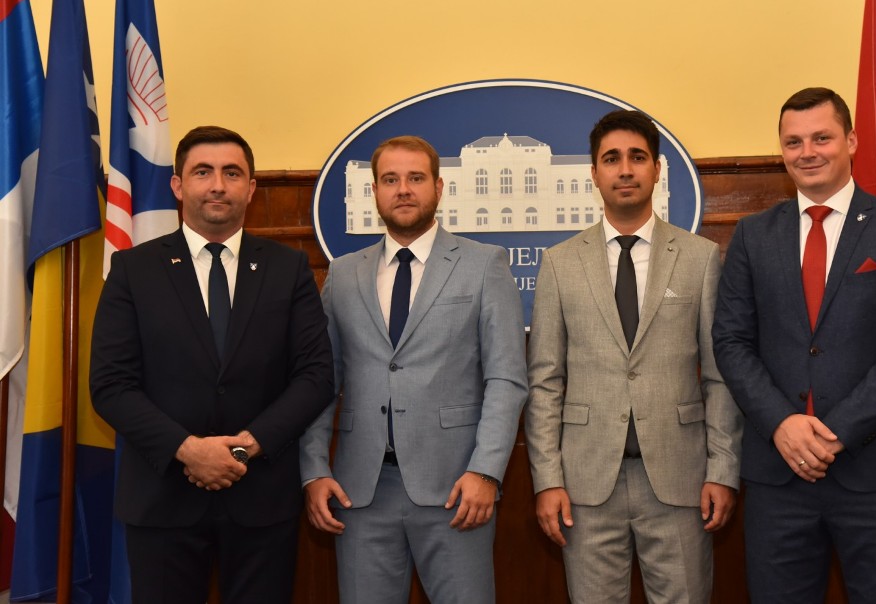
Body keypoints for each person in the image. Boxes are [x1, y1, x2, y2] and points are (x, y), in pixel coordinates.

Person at [712, 88, 876, 602]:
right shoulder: (753, 235)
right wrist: (782, 424)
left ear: (851, 141)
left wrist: (835, 432)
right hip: (779, 478)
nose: (807, 152)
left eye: (822, 138)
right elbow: (730, 341)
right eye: (793, 142)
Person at [89, 126, 335, 603]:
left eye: (232, 173)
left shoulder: (288, 268)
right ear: (178, 186)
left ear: (251, 187)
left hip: (261, 499)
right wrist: (188, 450)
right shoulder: (133, 270)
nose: (218, 185)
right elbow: (111, 384)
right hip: (163, 498)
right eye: (203, 172)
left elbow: (316, 375)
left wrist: (245, 448)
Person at [525, 110, 742, 603]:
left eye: (637, 157)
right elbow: (545, 382)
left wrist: (722, 469)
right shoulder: (559, 263)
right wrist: (547, 480)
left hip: (681, 479)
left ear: (657, 169)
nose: (625, 169)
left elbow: (719, 377)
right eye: (612, 159)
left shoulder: (700, 258)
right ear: (594, 172)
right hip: (584, 485)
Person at [299, 135, 527, 603]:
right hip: (359, 493)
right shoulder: (344, 274)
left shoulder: (483, 265)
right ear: (375, 191)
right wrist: (314, 470)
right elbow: (322, 381)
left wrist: (486, 472)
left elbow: (506, 380)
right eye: (390, 180)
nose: (403, 189)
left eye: (416, 178)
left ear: (438, 187)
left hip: (457, 489)